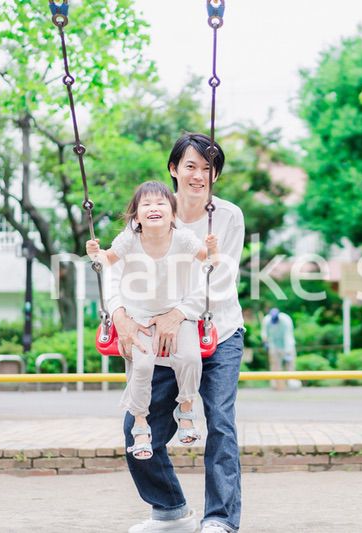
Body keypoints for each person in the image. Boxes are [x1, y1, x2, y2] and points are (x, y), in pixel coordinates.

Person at [109, 133, 245, 533]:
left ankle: (219, 519)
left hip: (218, 331)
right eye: (190, 166)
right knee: (138, 428)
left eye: (208, 168)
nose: (199, 175)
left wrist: (179, 313)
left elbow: (220, 276)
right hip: (158, 334)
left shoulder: (228, 217)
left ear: (215, 175)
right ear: (173, 169)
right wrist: (119, 315)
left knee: (220, 423)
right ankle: (169, 511)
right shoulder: (150, 215)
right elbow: (116, 272)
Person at [87, 181, 218, 459]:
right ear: (136, 216)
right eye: (146, 204)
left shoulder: (183, 238)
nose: (153, 208)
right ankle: (140, 423)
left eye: (160, 203)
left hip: (176, 313)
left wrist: (213, 250)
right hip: (139, 317)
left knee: (190, 358)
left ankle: (186, 409)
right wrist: (95, 255)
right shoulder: (128, 239)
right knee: (143, 366)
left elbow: (209, 261)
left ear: (173, 213)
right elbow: (106, 261)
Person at [260, 308, 299, 390]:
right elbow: (264, 332)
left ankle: (291, 384)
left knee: (290, 365)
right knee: (275, 366)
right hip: (274, 345)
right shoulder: (267, 320)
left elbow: (288, 336)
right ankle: (277, 385)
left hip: (287, 345)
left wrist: (287, 352)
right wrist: (265, 342)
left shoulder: (286, 320)